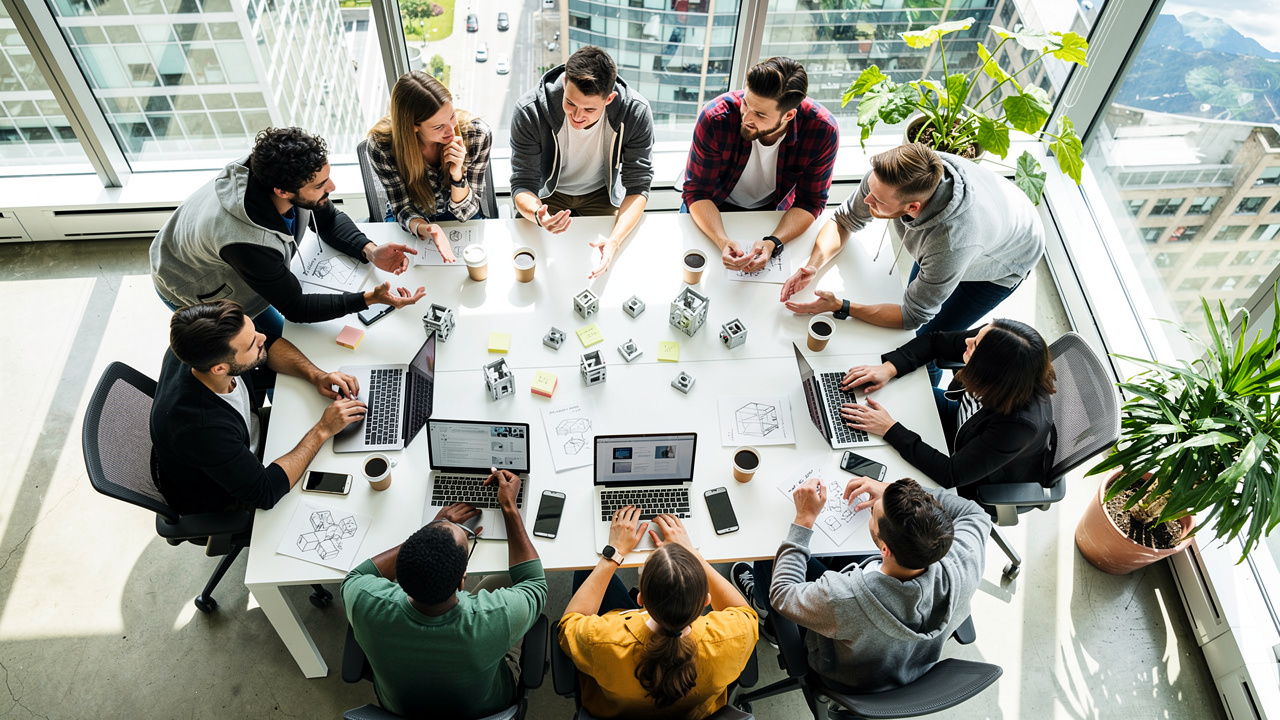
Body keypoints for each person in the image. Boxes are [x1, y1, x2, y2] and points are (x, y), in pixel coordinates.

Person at [782, 143, 1044, 382]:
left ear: (913, 207)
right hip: (997, 214)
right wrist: (813, 266)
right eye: (870, 190)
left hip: (1007, 257)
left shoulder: (949, 244)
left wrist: (842, 306)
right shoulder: (897, 174)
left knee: (928, 340)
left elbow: (913, 315)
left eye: (877, 201)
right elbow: (844, 219)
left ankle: (927, 389)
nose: (866, 200)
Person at [151, 127, 425, 337]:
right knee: (266, 348)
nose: (332, 188)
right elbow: (295, 307)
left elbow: (328, 220)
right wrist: (369, 299)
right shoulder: (247, 242)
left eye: (327, 177)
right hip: (191, 281)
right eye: (320, 186)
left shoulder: (284, 172)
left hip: (208, 246)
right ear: (282, 192)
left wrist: (370, 250)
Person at [735, 475, 989, 693]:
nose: (874, 504)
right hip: (910, 661)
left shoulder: (842, 599)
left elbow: (782, 594)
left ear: (885, 549)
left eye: (874, 512)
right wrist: (895, 495)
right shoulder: (964, 560)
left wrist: (804, 518)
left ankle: (762, 614)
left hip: (843, 674)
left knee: (770, 556)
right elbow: (976, 512)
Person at [342, 468, 546, 718]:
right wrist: (509, 508)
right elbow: (534, 583)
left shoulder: (366, 601)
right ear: (462, 582)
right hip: (488, 709)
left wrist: (432, 528)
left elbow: (356, 575)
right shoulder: (494, 617)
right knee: (502, 578)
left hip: (402, 710)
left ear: (398, 575)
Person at [150, 300, 367, 516]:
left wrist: (317, 375)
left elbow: (269, 345)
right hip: (227, 495)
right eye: (252, 343)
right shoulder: (201, 428)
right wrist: (323, 429)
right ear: (219, 369)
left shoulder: (200, 347)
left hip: (246, 436)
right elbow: (265, 492)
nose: (262, 338)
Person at [560, 509, 758, 719]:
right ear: (706, 601)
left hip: (614, 712)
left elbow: (569, 623)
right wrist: (692, 552)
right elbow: (742, 611)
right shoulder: (733, 636)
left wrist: (614, 553)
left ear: (641, 601)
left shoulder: (602, 641)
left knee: (586, 570)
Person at [840, 319, 1056, 499]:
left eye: (975, 345)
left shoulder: (1018, 426)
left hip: (975, 472)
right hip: (961, 421)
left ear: (989, 370)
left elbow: (950, 474)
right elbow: (935, 342)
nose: (968, 341)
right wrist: (888, 368)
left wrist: (889, 428)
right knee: (873, 400)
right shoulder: (996, 341)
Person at [509, 46, 655, 278]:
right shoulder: (530, 111)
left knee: (610, 266)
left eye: (589, 109)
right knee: (530, 262)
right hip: (545, 195)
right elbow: (522, 184)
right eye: (570, 103)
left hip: (602, 194)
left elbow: (638, 186)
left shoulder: (635, 112)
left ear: (609, 99)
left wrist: (614, 242)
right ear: (565, 81)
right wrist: (539, 214)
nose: (577, 116)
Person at [682, 57, 838, 273]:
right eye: (746, 102)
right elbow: (697, 192)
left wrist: (774, 241)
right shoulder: (715, 118)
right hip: (711, 203)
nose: (746, 116)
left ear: (789, 115)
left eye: (760, 114)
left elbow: (810, 202)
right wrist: (721, 241)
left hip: (772, 210)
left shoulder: (822, 131)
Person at [366, 71, 494, 260]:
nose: (451, 130)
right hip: (412, 216)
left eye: (452, 116)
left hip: (458, 210)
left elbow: (467, 213)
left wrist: (457, 175)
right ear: (412, 126)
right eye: (438, 127)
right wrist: (426, 228)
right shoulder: (382, 147)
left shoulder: (476, 136)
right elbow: (401, 207)